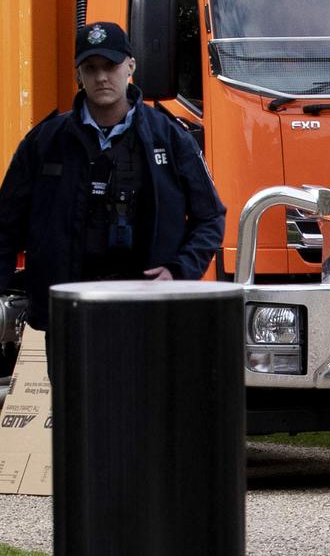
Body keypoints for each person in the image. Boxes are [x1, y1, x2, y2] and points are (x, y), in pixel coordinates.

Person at [0, 22, 226, 331]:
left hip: (150, 312)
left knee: (143, 381)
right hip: (68, 313)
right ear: (78, 74)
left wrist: (178, 272)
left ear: (130, 65)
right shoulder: (45, 142)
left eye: (111, 65)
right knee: (74, 382)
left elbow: (210, 217)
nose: (102, 77)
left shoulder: (169, 138)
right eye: (90, 68)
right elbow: (5, 227)